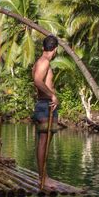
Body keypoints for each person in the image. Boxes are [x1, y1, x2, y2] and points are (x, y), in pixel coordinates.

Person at [32, 35, 59, 189]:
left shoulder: (39, 62)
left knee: (44, 141)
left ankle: (44, 176)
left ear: (44, 47)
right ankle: (43, 177)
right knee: (44, 141)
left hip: (43, 105)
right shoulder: (44, 62)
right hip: (45, 106)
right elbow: (37, 81)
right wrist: (52, 95)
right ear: (55, 49)